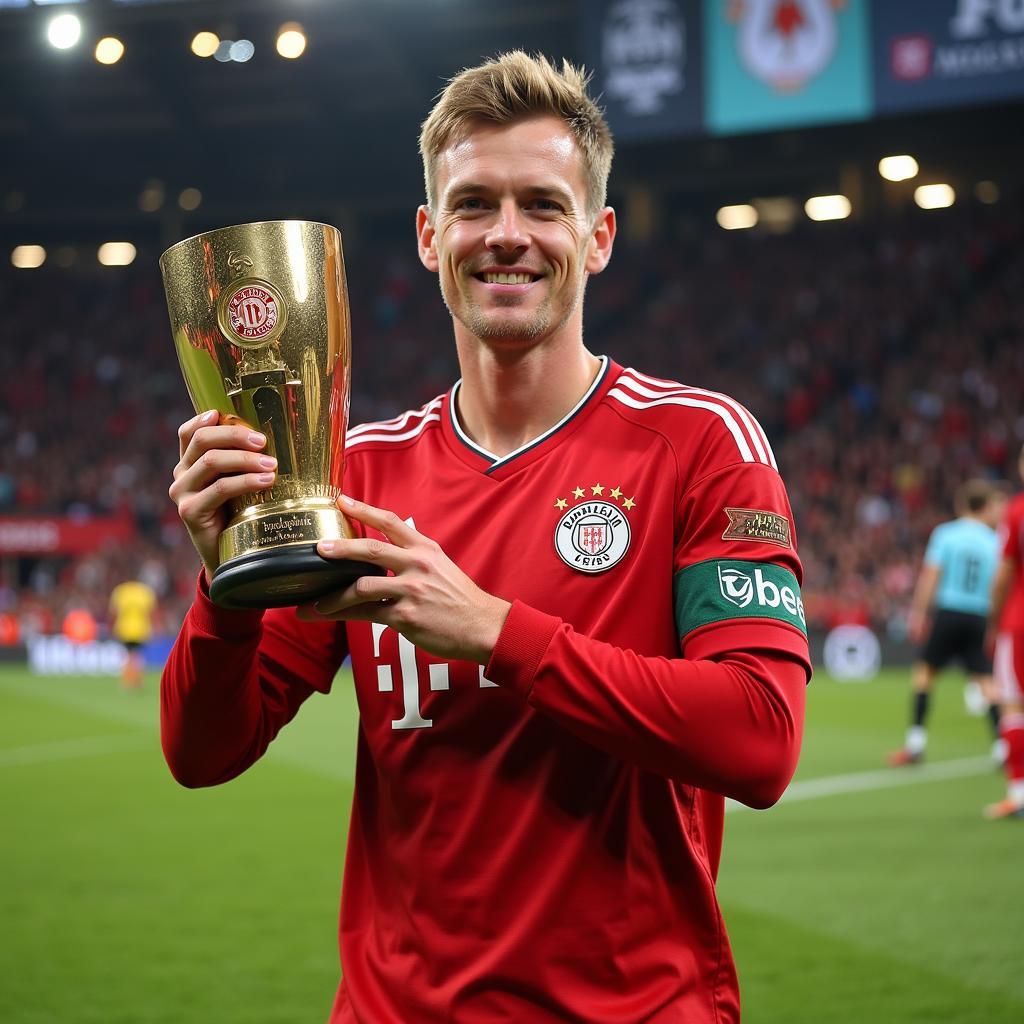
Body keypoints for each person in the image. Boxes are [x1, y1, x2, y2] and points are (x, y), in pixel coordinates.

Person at [162, 53, 810, 1023]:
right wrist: (225, 585)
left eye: (543, 205)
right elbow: (204, 750)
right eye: (473, 205)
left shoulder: (700, 442)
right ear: (430, 236)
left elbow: (761, 738)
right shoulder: (354, 474)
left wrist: (496, 632)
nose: (507, 235)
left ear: (597, 237)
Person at [888, 479, 1007, 767]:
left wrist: (918, 613)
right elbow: (999, 584)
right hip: (979, 615)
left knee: (924, 676)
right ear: (985, 507)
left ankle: (915, 745)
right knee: (987, 683)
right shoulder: (994, 541)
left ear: (963, 505)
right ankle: (1002, 749)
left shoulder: (946, 534)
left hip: (950, 612)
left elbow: (931, 576)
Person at [985, 445, 1024, 819]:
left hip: (1019, 621)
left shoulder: (1016, 510)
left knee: (1013, 706)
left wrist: (993, 620)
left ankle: (1018, 794)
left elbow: (1003, 574)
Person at [109, 577, 157, 690]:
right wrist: (154, 627)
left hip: (124, 629)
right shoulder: (145, 592)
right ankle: (136, 681)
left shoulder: (120, 591)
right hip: (141, 629)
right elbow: (152, 612)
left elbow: (113, 612)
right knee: (137, 656)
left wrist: (112, 626)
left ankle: (128, 682)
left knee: (129, 655)